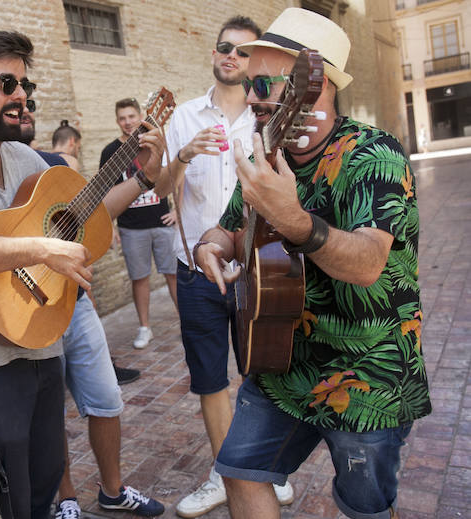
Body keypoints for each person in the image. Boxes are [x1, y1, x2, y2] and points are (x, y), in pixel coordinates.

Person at [0, 30, 168, 519]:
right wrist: (43, 248)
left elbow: (86, 216)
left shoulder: (23, 157)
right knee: (6, 501)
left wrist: (144, 177)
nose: (21, 95)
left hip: (41, 341)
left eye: (25, 85)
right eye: (6, 83)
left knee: (45, 482)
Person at [194, 8, 431, 519]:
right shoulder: (264, 154)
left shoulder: (375, 155)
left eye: (261, 82)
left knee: (363, 508)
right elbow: (230, 228)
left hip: (365, 375)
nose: (250, 96)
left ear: (311, 84)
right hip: (280, 364)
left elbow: (368, 263)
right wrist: (209, 246)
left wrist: (297, 222)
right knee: (237, 474)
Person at [161, 16, 293, 518]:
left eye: (242, 51)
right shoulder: (185, 116)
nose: (231, 57)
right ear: (213, 54)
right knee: (210, 380)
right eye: (224, 48)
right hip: (195, 269)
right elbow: (162, 185)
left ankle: (263, 470)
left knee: (262, 375)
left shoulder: (270, 116)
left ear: (253, 60)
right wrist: (183, 156)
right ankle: (224, 474)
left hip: (259, 269)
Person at [18, 105, 164, 518]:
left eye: (29, 98)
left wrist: (145, 176)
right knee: (51, 413)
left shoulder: (53, 166)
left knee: (107, 399)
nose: (24, 106)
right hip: (31, 306)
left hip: (76, 303)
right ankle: (65, 498)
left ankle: (113, 491)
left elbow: (95, 212)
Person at [101, 98, 178, 349]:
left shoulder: (154, 142)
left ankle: (186, 321)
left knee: (173, 275)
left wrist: (178, 211)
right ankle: (145, 328)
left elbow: (175, 175)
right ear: (117, 121)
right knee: (140, 278)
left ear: (140, 116)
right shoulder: (110, 152)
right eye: (122, 118)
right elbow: (104, 193)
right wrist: (110, 227)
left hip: (161, 220)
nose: (127, 122)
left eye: (131, 116)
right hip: (131, 226)